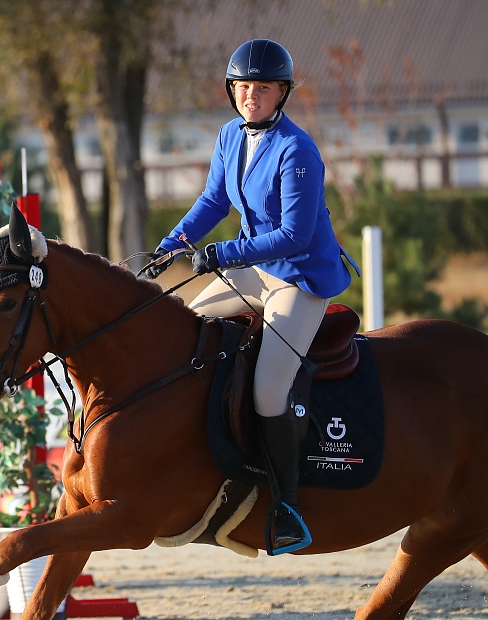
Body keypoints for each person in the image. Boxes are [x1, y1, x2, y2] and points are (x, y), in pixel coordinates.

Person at [142, 39, 358, 555]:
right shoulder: (228, 136)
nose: (250, 96)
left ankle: (287, 506)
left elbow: (295, 236)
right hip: (255, 270)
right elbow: (214, 198)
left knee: (268, 389)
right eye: (242, 87)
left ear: (281, 93)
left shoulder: (297, 150)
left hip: (297, 279)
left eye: (262, 88)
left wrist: (222, 254)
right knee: (186, 333)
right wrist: (172, 244)